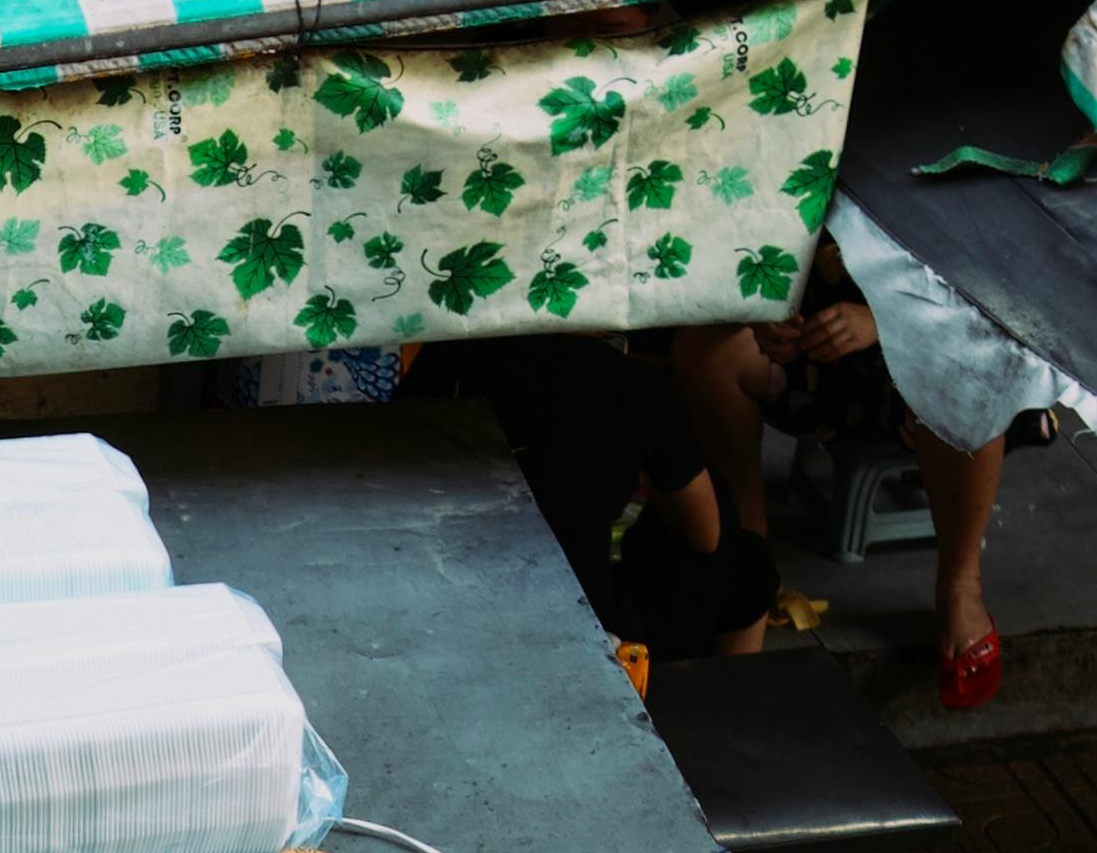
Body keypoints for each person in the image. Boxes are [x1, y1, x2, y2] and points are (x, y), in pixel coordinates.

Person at [674, 246, 1018, 712]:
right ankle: (747, 541)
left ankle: (960, 582)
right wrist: (758, 309)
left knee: (975, 379)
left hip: (919, 358)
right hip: (805, 354)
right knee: (705, 346)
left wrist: (881, 319)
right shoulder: (805, 170)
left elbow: (999, 287)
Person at [404, 330, 774, 668]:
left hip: (429, 605)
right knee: (748, 560)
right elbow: (705, 535)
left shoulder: (445, 358)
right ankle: (713, 714)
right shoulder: (633, 382)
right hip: (581, 633)